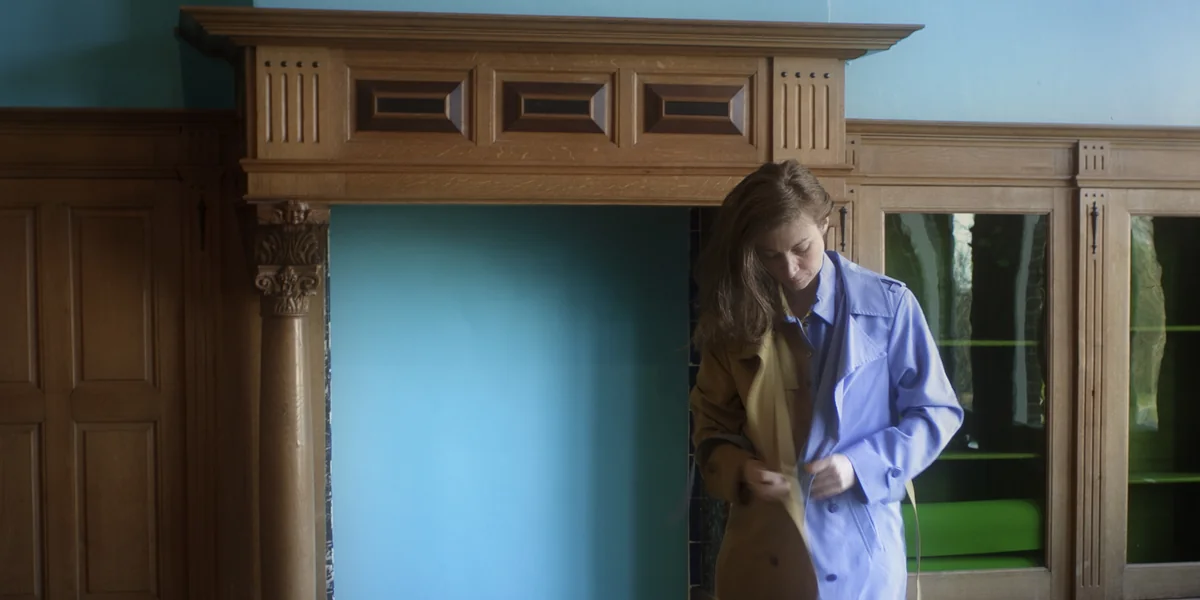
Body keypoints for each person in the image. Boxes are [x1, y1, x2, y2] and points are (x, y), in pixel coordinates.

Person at [689, 159, 964, 600]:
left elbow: (936, 412)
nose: (789, 268)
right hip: (763, 547)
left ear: (824, 224)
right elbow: (710, 425)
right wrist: (743, 470)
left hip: (861, 553)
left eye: (801, 248)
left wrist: (859, 466)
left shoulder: (890, 306)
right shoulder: (734, 316)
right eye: (769, 255)